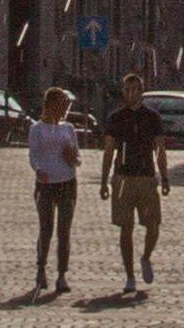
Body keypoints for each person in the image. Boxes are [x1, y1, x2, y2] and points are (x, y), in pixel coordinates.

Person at [95, 86, 169, 296]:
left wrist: (164, 177)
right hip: (123, 177)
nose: (132, 94)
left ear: (141, 92)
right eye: (128, 90)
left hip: (146, 177)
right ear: (124, 93)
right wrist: (104, 180)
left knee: (152, 225)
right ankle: (130, 276)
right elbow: (109, 150)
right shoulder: (116, 118)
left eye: (136, 89)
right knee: (126, 228)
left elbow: (160, 149)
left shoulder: (152, 117)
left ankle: (146, 257)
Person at [25, 89, 84, 296]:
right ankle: (41, 270)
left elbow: (77, 156)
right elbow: (33, 155)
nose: (65, 107)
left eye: (66, 103)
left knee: (64, 231)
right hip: (46, 184)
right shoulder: (37, 129)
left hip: (67, 183)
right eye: (61, 103)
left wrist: (73, 159)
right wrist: (39, 170)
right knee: (46, 228)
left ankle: (62, 274)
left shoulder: (68, 128)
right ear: (50, 105)